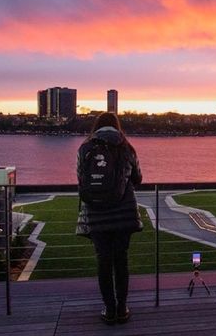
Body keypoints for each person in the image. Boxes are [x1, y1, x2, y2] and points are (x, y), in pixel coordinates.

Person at [76, 112, 143, 324]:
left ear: (96, 127)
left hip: (96, 214)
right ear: (117, 126)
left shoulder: (85, 148)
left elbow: (81, 178)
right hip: (124, 214)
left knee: (103, 261)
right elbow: (138, 178)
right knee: (121, 260)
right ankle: (122, 308)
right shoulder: (126, 148)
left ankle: (109, 308)